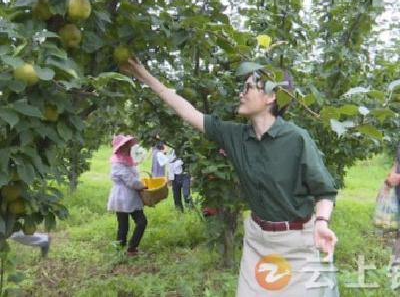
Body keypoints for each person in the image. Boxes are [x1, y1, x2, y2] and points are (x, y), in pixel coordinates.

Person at [121, 58, 339, 296]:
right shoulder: (235, 136)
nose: (241, 92)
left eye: (248, 87)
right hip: (258, 240)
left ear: (271, 97)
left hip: (296, 243)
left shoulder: (296, 139)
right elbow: (187, 111)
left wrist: (321, 223)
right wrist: (145, 76)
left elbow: (324, 191)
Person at [107, 134, 148, 256]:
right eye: (126, 145)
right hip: (123, 196)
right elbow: (130, 181)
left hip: (129, 195)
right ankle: (126, 248)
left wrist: (140, 182)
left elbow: (134, 176)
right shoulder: (117, 164)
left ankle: (127, 247)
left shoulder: (127, 161)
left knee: (135, 222)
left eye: (129, 145)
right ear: (120, 148)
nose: (129, 147)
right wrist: (142, 186)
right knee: (135, 222)